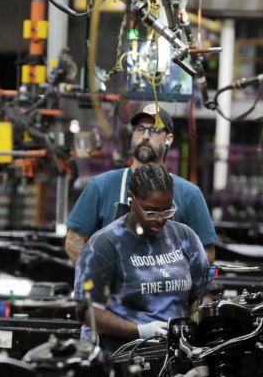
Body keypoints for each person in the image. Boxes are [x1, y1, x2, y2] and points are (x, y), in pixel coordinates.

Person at [73, 163, 211, 355]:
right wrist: (139, 331)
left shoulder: (185, 237)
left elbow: (202, 293)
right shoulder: (105, 245)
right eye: (151, 212)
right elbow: (85, 311)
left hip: (175, 354)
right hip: (120, 356)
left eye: (167, 211)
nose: (160, 219)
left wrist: (195, 324)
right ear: (131, 199)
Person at [65, 103, 217, 264]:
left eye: (154, 130)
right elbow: (74, 240)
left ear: (168, 139)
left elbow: (207, 253)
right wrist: (99, 273)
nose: (145, 136)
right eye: (140, 129)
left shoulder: (189, 194)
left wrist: (176, 275)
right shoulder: (101, 186)